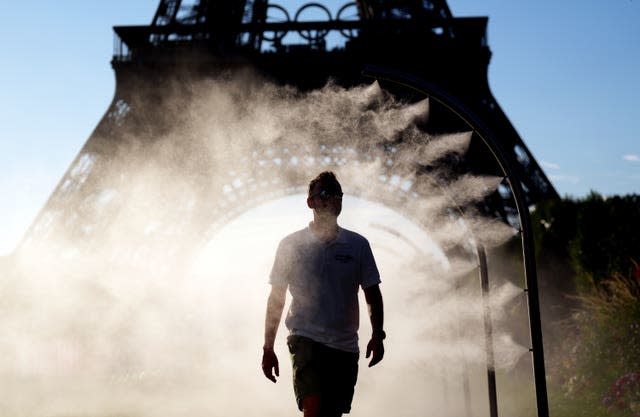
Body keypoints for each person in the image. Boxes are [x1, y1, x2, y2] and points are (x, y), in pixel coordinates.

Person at [261, 171, 386, 417]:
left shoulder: (358, 245)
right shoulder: (291, 245)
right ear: (311, 202)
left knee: (332, 413)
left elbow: (372, 293)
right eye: (325, 194)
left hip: (345, 345)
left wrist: (378, 334)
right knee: (314, 409)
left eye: (337, 194)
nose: (332, 199)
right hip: (305, 339)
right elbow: (277, 298)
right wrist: (268, 347)